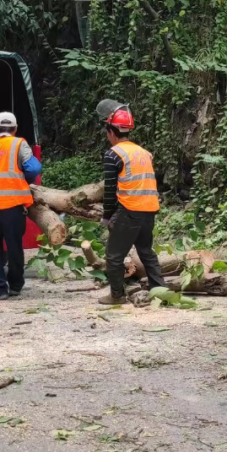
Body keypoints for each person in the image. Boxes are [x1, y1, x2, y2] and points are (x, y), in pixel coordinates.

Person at [96, 102, 166, 305]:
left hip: (129, 209)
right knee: (146, 251)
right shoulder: (144, 152)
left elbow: (110, 191)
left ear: (111, 130)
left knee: (114, 255)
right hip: (150, 209)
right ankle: (159, 290)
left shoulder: (113, 154)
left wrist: (107, 216)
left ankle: (117, 296)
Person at [0, 112, 42, 300]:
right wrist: (22, 179)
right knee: (14, 247)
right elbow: (34, 168)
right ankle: (15, 286)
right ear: (14, 129)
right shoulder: (18, 144)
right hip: (12, 205)